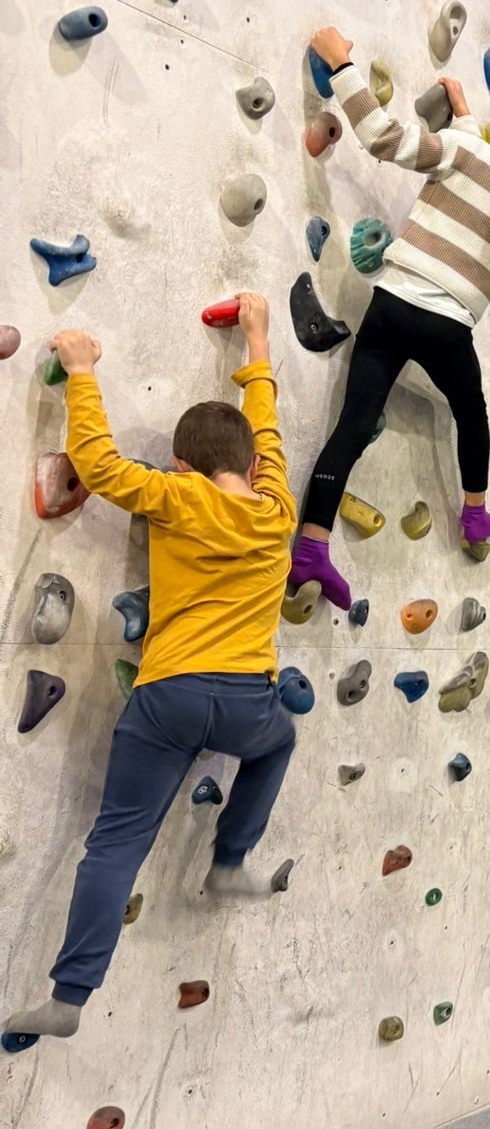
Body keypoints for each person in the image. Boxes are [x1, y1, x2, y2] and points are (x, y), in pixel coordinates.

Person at [3, 298, 297, 1053]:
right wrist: (257, 341)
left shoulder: (175, 495)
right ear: (254, 468)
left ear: (181, 465)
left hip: (169, 694)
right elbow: (265, 425)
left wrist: (80, 371)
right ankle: (229, 859)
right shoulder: (276, 510)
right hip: (248, 702)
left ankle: (69, 996)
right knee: (280, 741)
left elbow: (98, 465)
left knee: (116, 843)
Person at [288, 26, 490, 611]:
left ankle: (311, 548)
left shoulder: (466, 152)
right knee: (471, 415)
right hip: (447, 328)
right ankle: (474, 513)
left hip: (391, 305)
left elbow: (381, 137)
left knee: (354, 425)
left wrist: (342, 64)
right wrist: (467, 120)